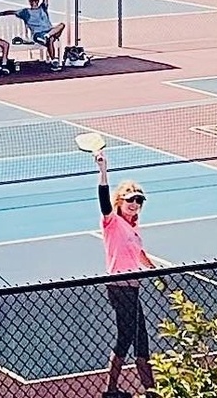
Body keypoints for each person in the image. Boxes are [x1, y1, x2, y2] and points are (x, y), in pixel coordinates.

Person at [95, 147, 156, 398]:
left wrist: (151, 266)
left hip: (133, 287)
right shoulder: (112, 222)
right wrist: (102, 171)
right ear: (120, 201)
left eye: (139, 200)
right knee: (128, 336)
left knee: (140, 338)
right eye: (130, 199)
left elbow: (138, 252)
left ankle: (151, 390)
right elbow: (102, 202)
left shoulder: (133, 227)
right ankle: (110, 390)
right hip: (119, 287)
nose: (135, 204)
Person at [0, 0, 66, 71]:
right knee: (50, 40)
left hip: (49, 31)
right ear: (30, 2)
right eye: (32, 0)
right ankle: (54, 61)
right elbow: (12, 12)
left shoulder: (43, 8)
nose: (34, 2)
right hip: (38, 34)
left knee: (61, 25)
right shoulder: (26, 12)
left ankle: (48, 35)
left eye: (35, 0)